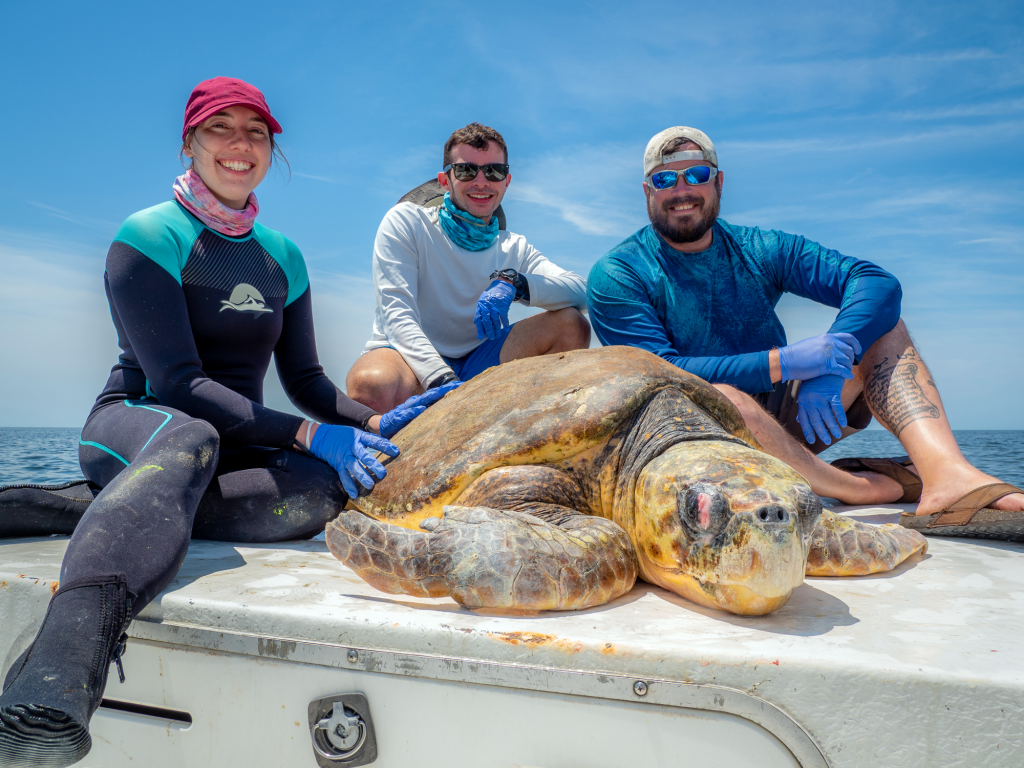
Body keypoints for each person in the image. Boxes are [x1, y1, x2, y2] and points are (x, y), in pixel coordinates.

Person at [0, 77, 453, 767]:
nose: (240, 145)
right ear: (189, 141)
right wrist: (306, 433)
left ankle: (90, 511)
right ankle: (53, 681)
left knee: (320, 492)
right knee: (192, 439)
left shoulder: (283, 257)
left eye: (257, 132)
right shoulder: (150, 235)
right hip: (140, 423)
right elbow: (181, 385)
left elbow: (304, 381)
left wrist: (374, 421)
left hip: (233, 444)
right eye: (221, 127)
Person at [587, 125, 1023, 532]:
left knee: (885, 329)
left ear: (718, 183)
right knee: (722, 397)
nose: (681, 191)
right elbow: (659, 373)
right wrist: (783, 362)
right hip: (689, 437)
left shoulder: (763, 248)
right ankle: (854, 487)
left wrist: (839, 355)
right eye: (665, 181)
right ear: (647, 192)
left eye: (696, 175)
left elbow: (876, 283)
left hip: (786, 423)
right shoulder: (617, 272)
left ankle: (947, 475)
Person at [346, 123, 591, 413]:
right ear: (445, 180)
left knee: (571, 325)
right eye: (465, 171)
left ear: (507, 181)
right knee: (371, 385)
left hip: (481, 359)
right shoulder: (407, 222)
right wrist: (443, 380)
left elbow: (584, 293)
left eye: (494, 171)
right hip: (410, 361)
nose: (481, 181)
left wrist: (516, 283)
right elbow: (397, 316)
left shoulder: (514, 246)